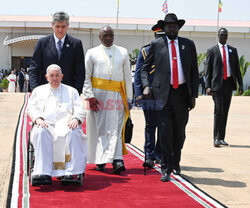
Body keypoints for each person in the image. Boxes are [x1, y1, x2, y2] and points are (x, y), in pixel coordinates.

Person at [141, 13, 199, 182]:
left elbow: (194, 70)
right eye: (169, 25)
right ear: (164, 28)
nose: (172, 28)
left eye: (175, 25)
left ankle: (176, 161)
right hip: (162, 95)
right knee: (165, 133)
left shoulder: (188, 45)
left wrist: (193, 94)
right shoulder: (156, 44)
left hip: (182, 94)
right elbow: (145, 69)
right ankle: (166, 168)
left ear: (178, 28)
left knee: (179, 133)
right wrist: (146, 86)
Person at [83, 26, 133, 174]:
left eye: (111, 35)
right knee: (100, 128)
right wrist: (89, 96)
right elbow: (86, 76)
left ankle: (117, 160)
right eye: (105, 36)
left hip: (118, 95)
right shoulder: (91, 53)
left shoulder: (123, 52)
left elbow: (127, 77)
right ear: (100, 37)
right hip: (98, 96)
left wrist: (129, 98)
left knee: (116, 128)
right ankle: (100, 159)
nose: (108, 38)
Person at [26, 64, 87, 183]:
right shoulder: (38, 91)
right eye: (51, 76)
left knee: (74, 133)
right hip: (46, 125)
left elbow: (80, 109)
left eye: (57, 75)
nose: (54, 78)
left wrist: (76, 119)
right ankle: (43, 172)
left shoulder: (72, 91)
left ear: (62, 76)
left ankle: (69, 172)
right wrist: (38, 119)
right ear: (46, 77)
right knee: (40, 132)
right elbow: (31, 108)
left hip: (67, 125)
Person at [29, 11, 85, 94]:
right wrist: (36, 91)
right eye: (57, 26)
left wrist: (76, 93)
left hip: (68, 93)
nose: (60, 30)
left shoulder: (76, 44)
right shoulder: (42, 43)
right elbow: (34, 69)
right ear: (52, 25)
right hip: (45, 92)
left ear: (68, 26)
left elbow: (80, 72)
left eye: (63, 26)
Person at [205, 28, 243, 147]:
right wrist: (207, 86)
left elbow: (237, 68)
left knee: (225, 111)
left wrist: (240, 84)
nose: (223, 37)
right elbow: (208, 71)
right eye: (221, 35)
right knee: (218, 111)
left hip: (228, 84)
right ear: (218, 36)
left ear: (227, 36)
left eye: (225, 35)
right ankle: (216, 138)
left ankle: (222, 138)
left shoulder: (233, 50)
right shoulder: (212, 51)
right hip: (217, 86)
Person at [134, 24, 165, 168]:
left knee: (163, 125)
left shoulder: (169, 51)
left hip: (165, 95)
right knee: (150, 125)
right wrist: (139, 94)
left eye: (163, 37)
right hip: (149, 95)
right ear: (155, 37)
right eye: (159, 36)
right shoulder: (145, 50)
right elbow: (139, 73)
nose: (161, 39)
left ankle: (159, 153)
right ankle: (149, 155)